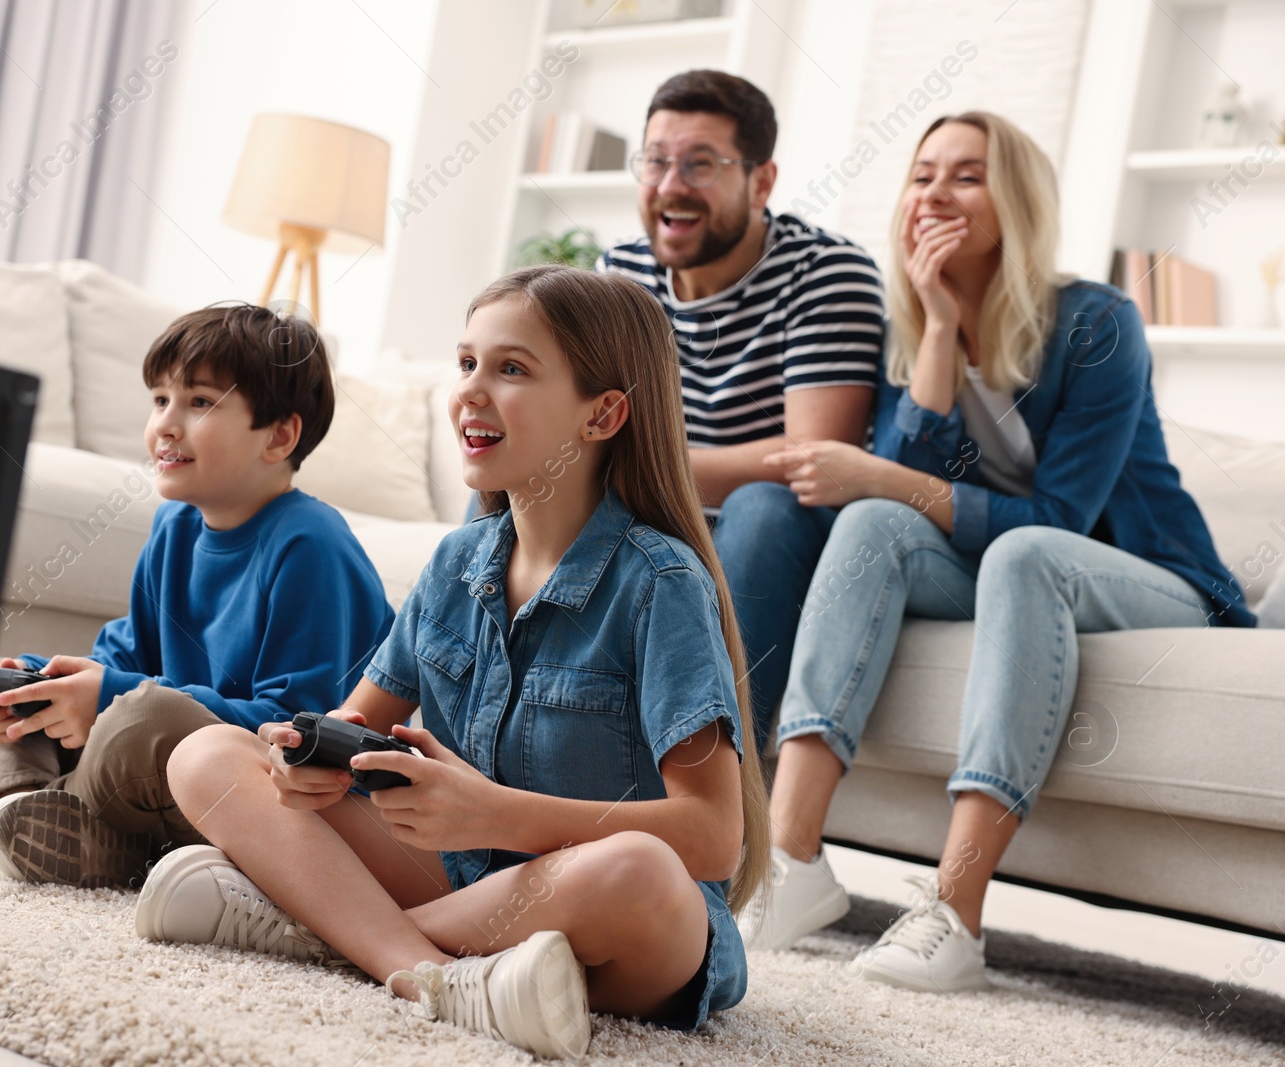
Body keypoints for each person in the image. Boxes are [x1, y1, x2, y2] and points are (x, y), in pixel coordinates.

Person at [132, 266, 771, 1058]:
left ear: (603, 413)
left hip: (614, 925)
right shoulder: (456, 561)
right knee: (209, 752)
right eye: (467, 363)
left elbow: (712, 838)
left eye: (511, 369)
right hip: (463, 881)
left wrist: (494, 810)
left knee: (635, 867)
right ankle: (424, 970)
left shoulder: (661, 582)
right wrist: (306, 760)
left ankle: (324, 933)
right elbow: (351, 726)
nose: (470, 391)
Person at [743, 112, 1256, 989]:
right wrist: (939, 331)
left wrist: (882, 475)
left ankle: (955, 912)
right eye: (921, 175)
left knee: (1027, 553)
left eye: (966, 176)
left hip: (1157, 580)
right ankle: (790, 861)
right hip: (1012, 572)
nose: (934, 194)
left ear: (1015, 199)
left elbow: (1057, 515)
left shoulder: (1098, 323)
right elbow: (888, 500)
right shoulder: (913, 330)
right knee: (872, 526)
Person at [0, 304, 395, 888]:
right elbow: (126, 658)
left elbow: (299, 732)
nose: (166, 423)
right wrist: (43, 681)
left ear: (279, 435)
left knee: (143, 716)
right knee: (7, 700)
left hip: (257, 791)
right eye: (160, 400)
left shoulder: (312, 545)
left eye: (198, 403)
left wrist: (113, 697)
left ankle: (80, 826)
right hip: (147, 773)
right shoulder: (175, 527)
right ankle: (22, 809)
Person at [597, 69, 887, 753]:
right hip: (655, 516)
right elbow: (581, 434)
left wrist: (634, 463)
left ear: (761, 182)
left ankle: (721, 789)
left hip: (773, 533)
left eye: (700, 164)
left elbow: (812, 462)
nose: (670, 185)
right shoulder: (621, 273)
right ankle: (451, 744)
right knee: (515, 487)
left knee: (763, 506)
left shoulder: (826, 272)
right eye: (656, 161)